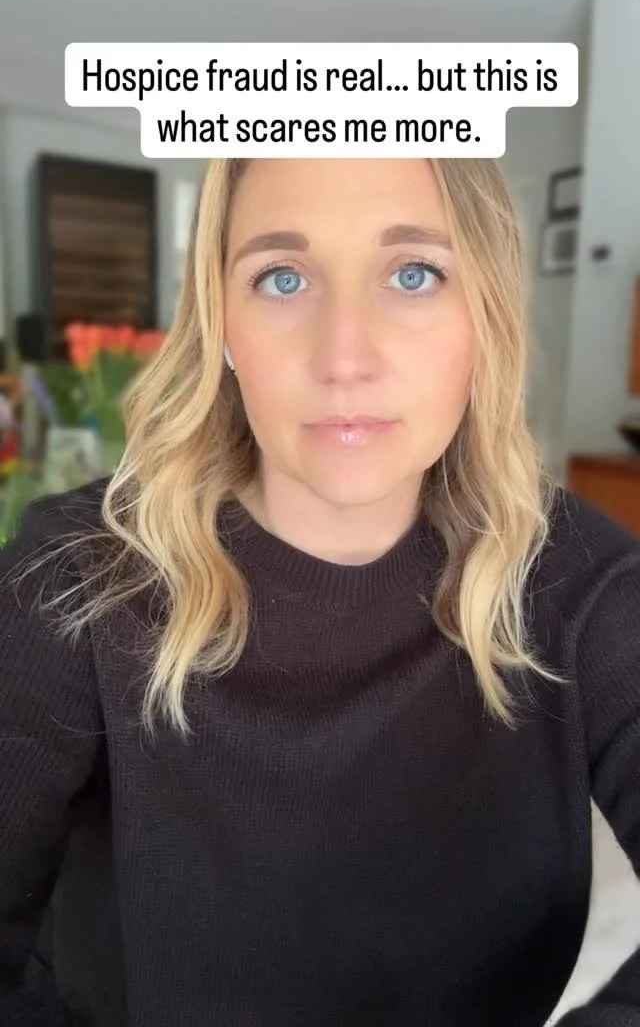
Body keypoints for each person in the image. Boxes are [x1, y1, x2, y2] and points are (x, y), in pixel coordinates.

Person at [0, 157, 639, 1027]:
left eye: (414, 274)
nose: (344, 358)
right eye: (282, 276)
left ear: (485, 313)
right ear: (222, 322)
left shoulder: (578, 580)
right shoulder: (75, 577)